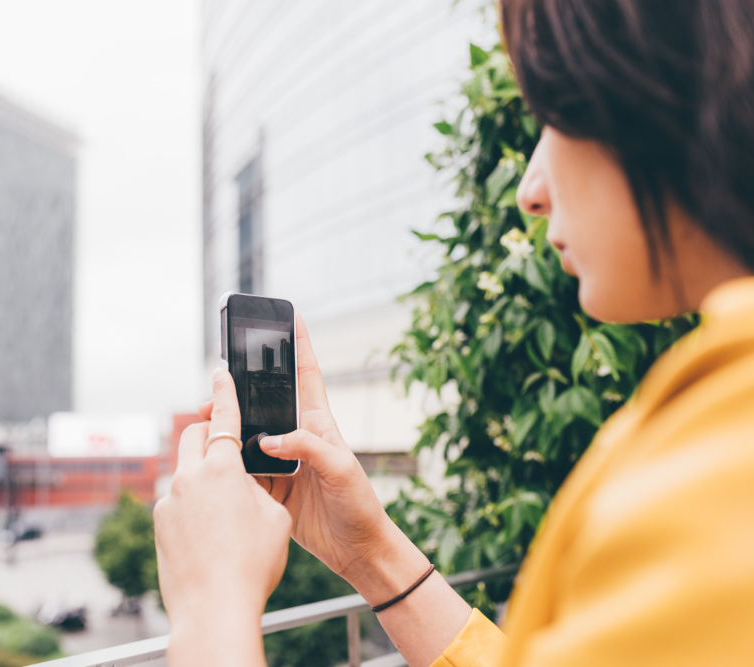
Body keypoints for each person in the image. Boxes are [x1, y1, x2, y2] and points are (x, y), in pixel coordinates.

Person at [153, 0, 754, 664]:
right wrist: (370, 551)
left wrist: (211, 605)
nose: (530, 188)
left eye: (551, 117)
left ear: (658, 92)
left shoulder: (723, 454)